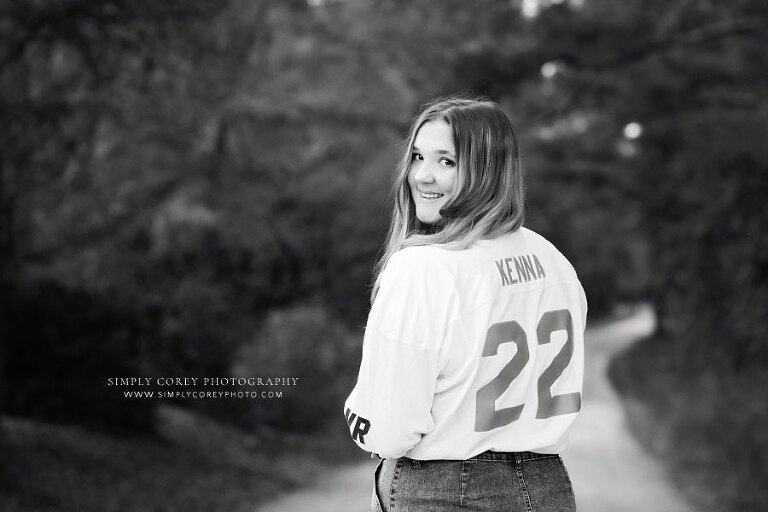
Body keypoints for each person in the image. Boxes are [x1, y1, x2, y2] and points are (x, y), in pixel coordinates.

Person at [344, 95, 587, 512]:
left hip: (444, 490)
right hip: (548, 488)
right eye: (419, 156)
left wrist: (360, 420)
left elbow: (388, 429)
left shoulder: (422, 267)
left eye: (447, 162)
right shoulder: (552, 258)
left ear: (488, 171)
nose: (421, 175)